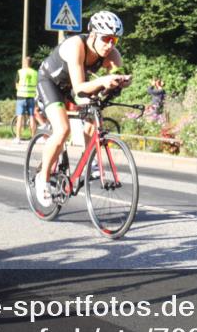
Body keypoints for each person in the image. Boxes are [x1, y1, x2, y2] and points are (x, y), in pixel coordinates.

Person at [34, 10, 131, 205]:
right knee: (63, 130)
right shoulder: (75, 46)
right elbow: (79, 88)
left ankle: (91, 161)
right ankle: (42, 178)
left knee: (94, 116)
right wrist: (104, 80)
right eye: (106, 38)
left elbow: (119, 75)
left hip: (73, 86)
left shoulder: (112, 55)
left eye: (115, 40)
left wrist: (122, 81)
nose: (110, 44)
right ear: (93, 34)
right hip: (50, 83)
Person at [13, 56, 37, 142]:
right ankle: (33, 138)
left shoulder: (20, 72)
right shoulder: (35, 73)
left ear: (24, 63)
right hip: (31, 96)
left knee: (20, 117)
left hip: (21, 97)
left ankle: (18, 138)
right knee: (32, 117)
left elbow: (16, 84)